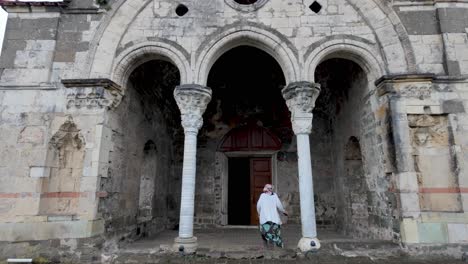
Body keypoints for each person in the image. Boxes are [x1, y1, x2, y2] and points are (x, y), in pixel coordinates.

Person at [256, 183, 288, 249]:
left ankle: (266, 245)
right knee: (273, 232)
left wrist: (259, 213)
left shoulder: (262, 196)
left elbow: (258, 206)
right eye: (270, 188)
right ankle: (271, 246)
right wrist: (284, 211)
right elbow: (279, 206)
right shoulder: (274, 196)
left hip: (264, 218)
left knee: (264, 231)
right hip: (273, 219)